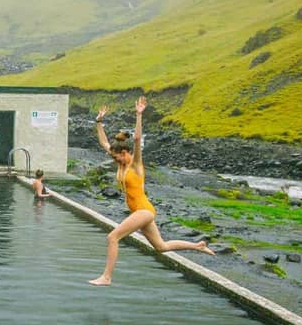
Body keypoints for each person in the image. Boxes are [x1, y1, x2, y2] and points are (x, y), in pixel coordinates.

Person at [89, 96, 214, 286]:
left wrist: (139, 115)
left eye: (116, 158)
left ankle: (106, 277)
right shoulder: (119, 160)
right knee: (161, 247)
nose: (114, 161)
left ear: (125, 153)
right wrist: (99, 122)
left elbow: (137, 140)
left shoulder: (135, 165)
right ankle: (198, 245)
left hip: (144, 211)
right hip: (139, 211)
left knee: (113, 237)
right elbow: (104, 143)